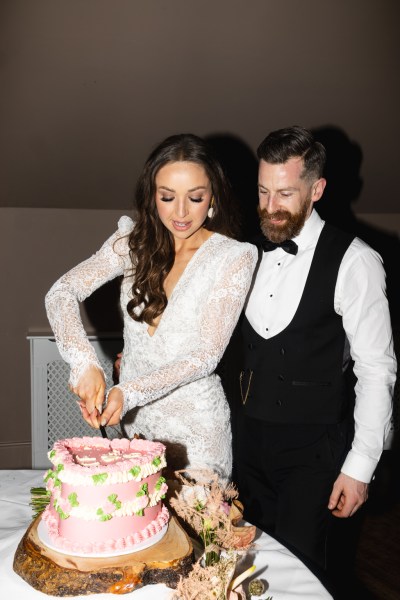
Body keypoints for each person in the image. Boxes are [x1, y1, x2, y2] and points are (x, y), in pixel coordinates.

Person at [234, 125, 396, 595]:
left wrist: (360, 466)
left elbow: (377, 369)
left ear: (317, 189)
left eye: (285, 193)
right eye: (263, 191)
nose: (270, 206)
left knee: (301, 578)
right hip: (248, 444)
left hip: (314, 453)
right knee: (247, 569)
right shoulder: (245, 250)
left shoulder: (356, 261)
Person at [45, 133, 258, 481]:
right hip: (132, 425)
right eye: (167, 197)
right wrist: (83, 363)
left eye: (196, 197)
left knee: (195, 532)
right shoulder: (132, 243)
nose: (181, 212)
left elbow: (206, 355)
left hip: (197, 434)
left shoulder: (234, 257)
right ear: (152, 196)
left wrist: (128, 392)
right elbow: (61, 292)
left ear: (213, 198)